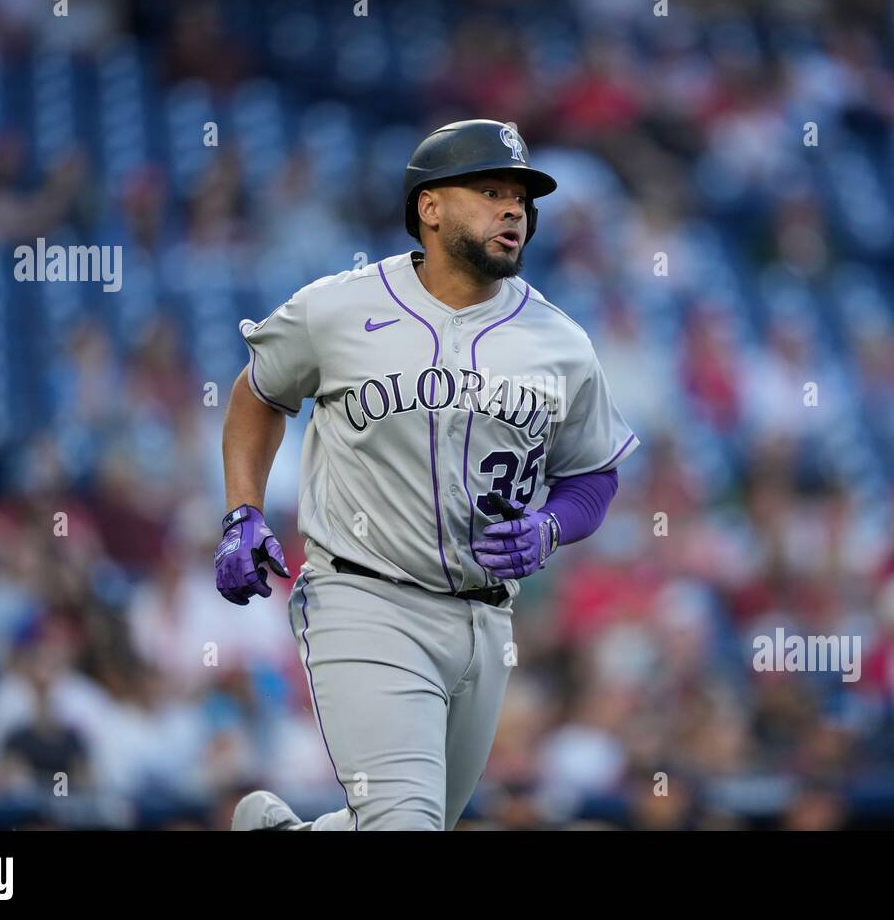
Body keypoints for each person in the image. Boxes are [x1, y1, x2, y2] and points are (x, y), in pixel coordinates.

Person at [216, 120, 638, 830]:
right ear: (430, 207)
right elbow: (258, 394)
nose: (514, 211)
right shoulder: (339, 309)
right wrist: (243, 513)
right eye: (491, 190)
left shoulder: (561, 342)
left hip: (485, 618)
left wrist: (552, 526)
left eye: (522, 199)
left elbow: (593, 474)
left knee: (409, 823)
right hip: (365, 597)